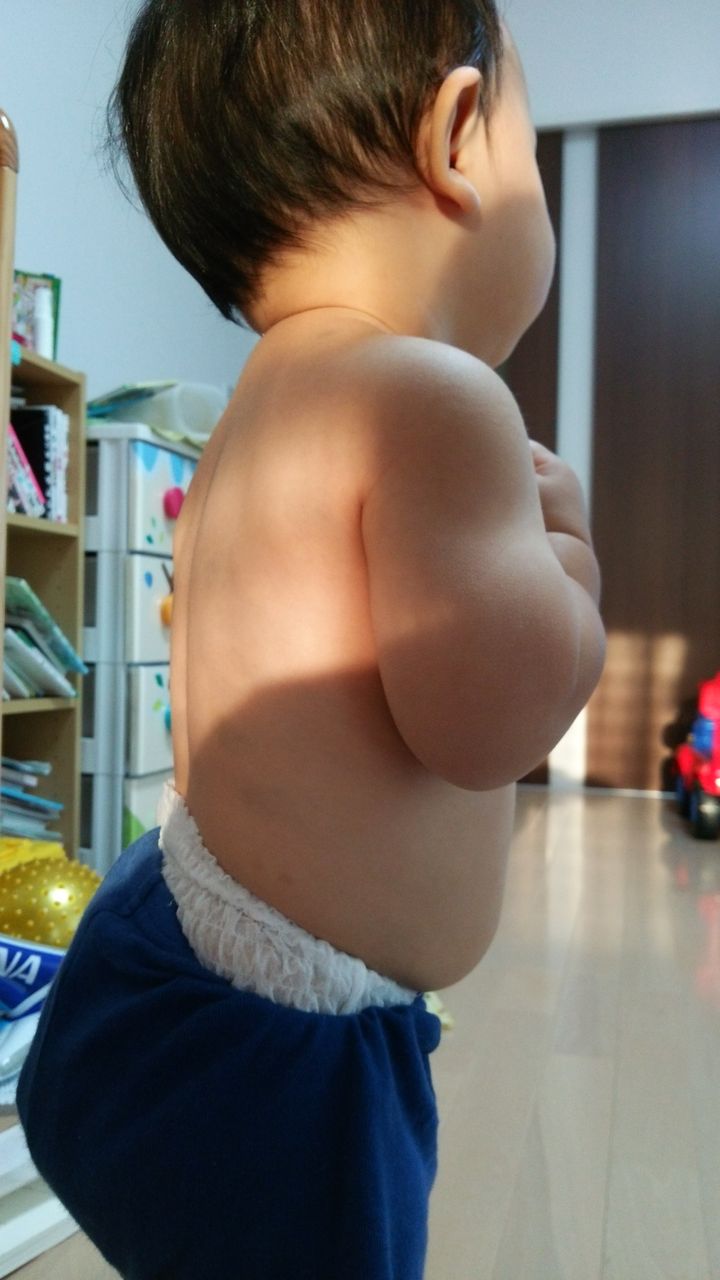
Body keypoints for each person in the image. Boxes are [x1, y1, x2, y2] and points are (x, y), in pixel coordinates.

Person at [17, 2, 605, 1277]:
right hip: (283, 1053)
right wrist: (571, 563)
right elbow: (490, 720)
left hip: (178, 938)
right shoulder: (436, 398)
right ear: (458, 140)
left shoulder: (257, 405)